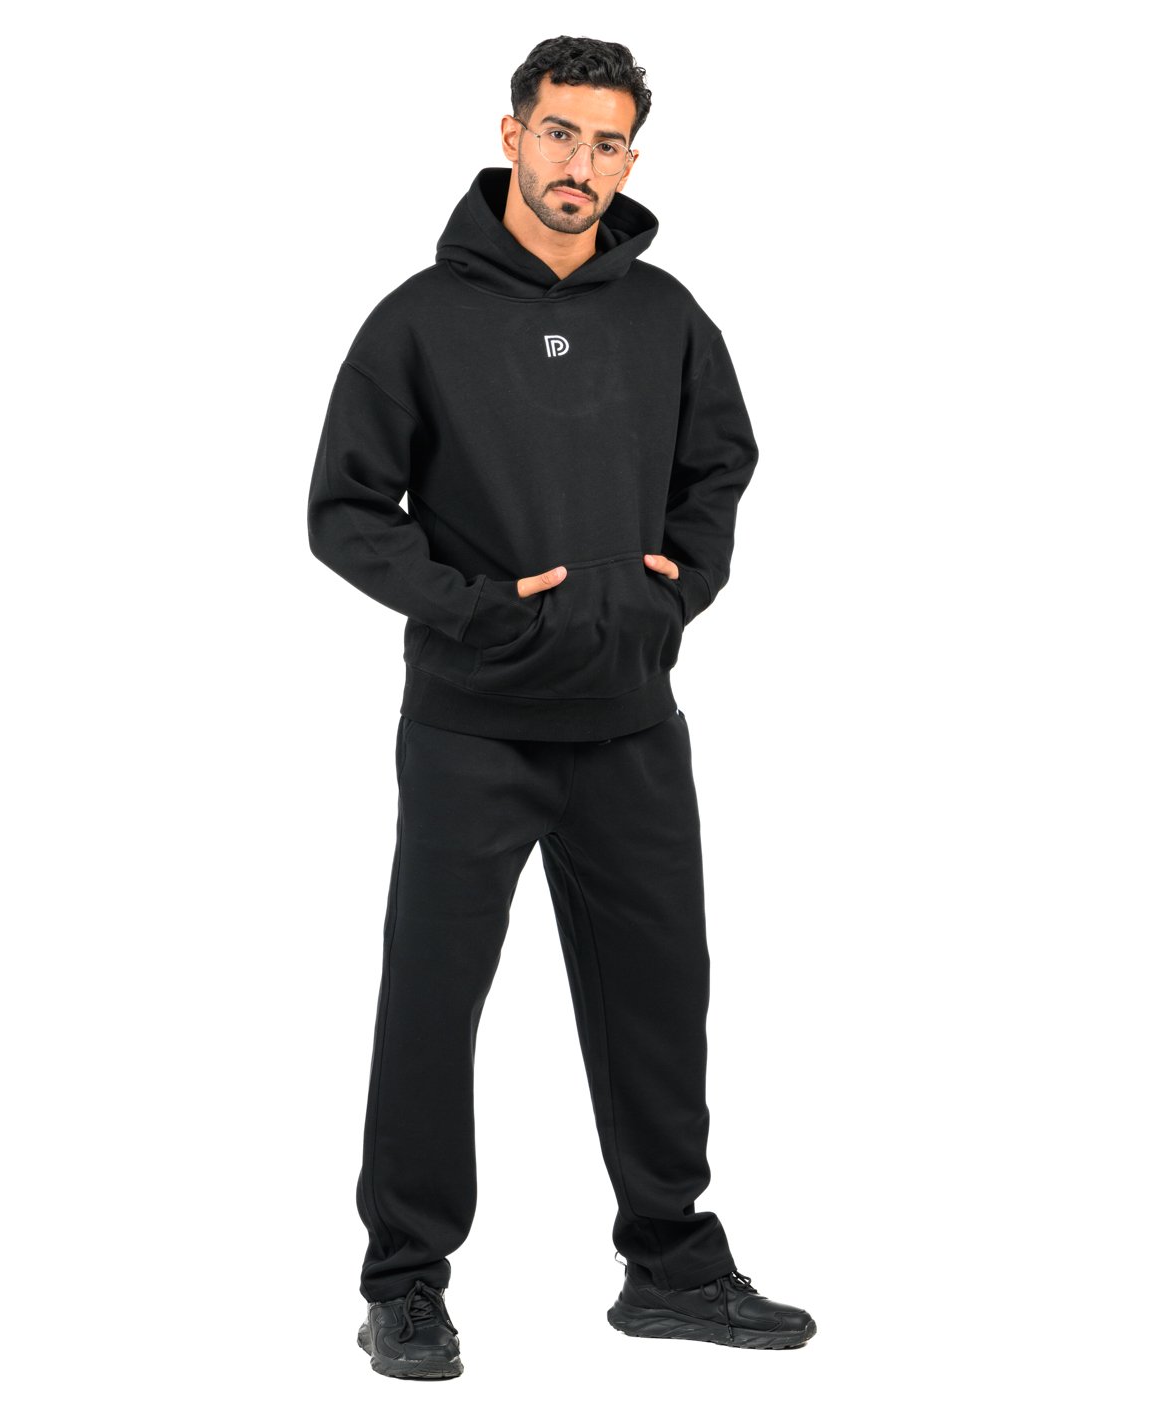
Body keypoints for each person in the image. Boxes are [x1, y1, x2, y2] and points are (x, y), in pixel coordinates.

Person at [308, 35, 817, 1381]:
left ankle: (671, 1265)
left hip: (630, 720)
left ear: (629, 159)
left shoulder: (669, 318)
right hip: (470, 724)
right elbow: (345, 512)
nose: (579, 164)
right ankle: (403, 1281)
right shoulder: (419, 319)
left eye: (606, 143)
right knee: (431, 1003)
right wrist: (480, 607)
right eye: (558, 133)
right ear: (511, 136)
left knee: (660, 995)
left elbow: (721, 464)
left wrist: (674, 589)